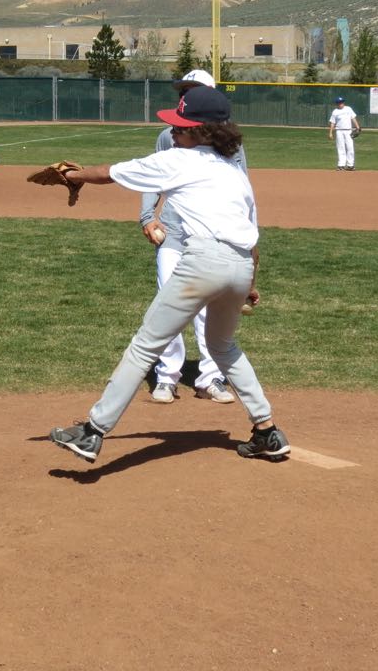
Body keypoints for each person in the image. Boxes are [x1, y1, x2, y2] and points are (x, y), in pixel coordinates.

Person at [48, 86, 291, 464]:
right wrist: (249, 284)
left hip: (203, 262)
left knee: (145, 345)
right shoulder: (233, 173)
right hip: (242, 264)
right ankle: (267, 431)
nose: (173, 132)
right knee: (223, 346)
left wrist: (75, 174)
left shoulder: (180, 160)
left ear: (202, 130)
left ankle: (92, 432)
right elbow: (252, 236)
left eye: (181, 126)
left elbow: (111, 173)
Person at [140, 69, 240, 406]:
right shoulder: (168, 135)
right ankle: (167, 376)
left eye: (194, 90)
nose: (186, 95)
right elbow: (151, 176)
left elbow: (240, 187)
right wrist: (147, 217)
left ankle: (210, 378)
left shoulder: (229, 143)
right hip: (172, 234)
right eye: (184, 90)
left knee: (209, 309)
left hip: (211, 235)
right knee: (168, 304)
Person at [327, 96, 360, 170]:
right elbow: (332, 123)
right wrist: (330, 132)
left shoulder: (348, 109)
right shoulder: (335, 111)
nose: (340, 104)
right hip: (339, 131)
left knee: (350, 147)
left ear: (343, 102)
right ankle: (341, 165)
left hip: (348, 130)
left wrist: (357, 127)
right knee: (340, 147)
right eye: (339, 102)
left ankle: (350, 165)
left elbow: (353, 118)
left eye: (341, 102)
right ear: (336, 103)